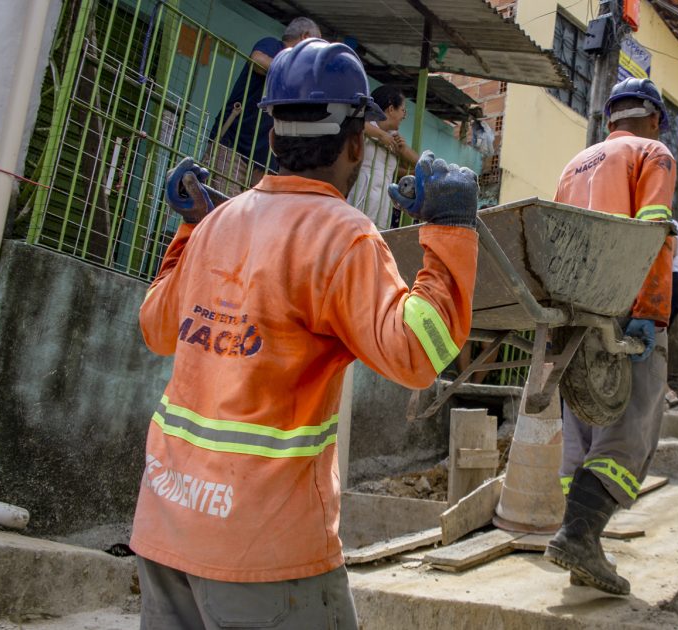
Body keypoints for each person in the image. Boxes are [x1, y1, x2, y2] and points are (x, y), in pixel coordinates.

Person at [133, 39, 480, 629]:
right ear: (354, 144)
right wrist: (447, 233)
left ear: (271, 135)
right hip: (263, 546)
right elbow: (418, 355)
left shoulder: (217, 222)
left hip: (166, 522)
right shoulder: (344, 237)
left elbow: (157, 328)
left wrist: (190, 230)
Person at [544, 77, 676, 596]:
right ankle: (579, 536)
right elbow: (653, 233)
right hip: (626, 308)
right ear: (655, 118)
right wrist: (652, 310)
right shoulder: (653, 153)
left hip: (574, 313)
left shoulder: (575, 164)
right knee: (632, 426)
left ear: (608, 120)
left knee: (583, 429)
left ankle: (579, 542)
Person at [204, 17, 320, 195]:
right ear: (305, 37)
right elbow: (258, 60)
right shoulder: (274, 46)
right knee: (220, 206)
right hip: (233, 148)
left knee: (247, 219)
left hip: (263, 162)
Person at [348, 85, 421, 229]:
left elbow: (418, 163)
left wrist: (403, 149)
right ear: (391, 108)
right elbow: (354, 122)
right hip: (358, 200)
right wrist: (381, 135)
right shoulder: (365, 127)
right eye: (403, 110)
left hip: (381, 206)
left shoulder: (394, 139)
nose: (404, 116)